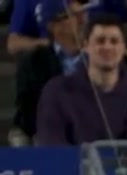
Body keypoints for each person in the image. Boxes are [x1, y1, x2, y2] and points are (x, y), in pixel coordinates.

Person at [36, 14, 127, 145]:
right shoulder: (56, 91)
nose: (107, 47)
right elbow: (52, 143)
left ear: (124, 48)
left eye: (114, 41)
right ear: (85, 46)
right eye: (100, 41)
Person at [12, 0, 86, 143]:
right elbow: (28, 106)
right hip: (49, 132)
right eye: (70, 15)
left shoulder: (97, 55)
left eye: (80, 14)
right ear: (53, 26)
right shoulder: (35, 62)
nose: (80, 19)